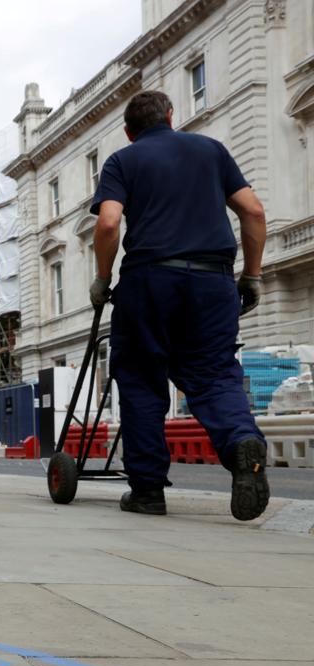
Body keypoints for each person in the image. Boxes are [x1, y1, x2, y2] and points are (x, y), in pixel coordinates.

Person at [89, 90, 268, 520]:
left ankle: (148, 491)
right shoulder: (210, 150)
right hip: (212, 279)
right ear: (172, 116)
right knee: (214, 375)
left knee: (141, 380)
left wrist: (101, 278)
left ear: (130, 132)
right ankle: (243, 442)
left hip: (149, 280)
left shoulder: (123, 161)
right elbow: (254, 211)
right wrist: (253, 275)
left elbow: (109, 222)